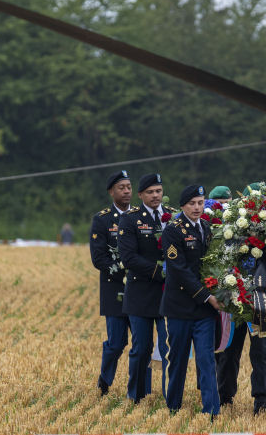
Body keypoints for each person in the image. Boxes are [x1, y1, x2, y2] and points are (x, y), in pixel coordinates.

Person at [160, 184, 221, 416]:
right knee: (177, 359)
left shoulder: (206, 227)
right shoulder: (173, 230)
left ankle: (212, 411)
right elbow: (179, 270)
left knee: (206, 360)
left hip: (204, 311)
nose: (197, 208)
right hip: (180, 307)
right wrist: (207, 296)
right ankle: (173, 406)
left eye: (200, 202)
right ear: (183, 205)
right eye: (192, 203)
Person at [215, 183, 266, 414]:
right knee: (229, 350)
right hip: (234, 296)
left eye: (259, 204)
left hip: (265, 298)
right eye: (251, 204)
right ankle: (225, 397)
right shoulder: (232, 228)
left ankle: (261, 401)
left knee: (261, 353)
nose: (255, 209)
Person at [118, 173, 170, 402]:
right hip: (140, 294)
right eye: (150, 192)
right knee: (141, 348)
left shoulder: (171, 216)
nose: (155, 195)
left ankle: (170, 395)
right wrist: (162, 273)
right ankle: (136, 394)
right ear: (140, 195)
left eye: (158, 191)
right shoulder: (130, 219)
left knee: (171, 347)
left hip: (169, 295)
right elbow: (128, 258)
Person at [89, 170, 133, 396]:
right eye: (121, 187)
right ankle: (104, 381)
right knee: (116, 343)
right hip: (114, 289)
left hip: (139, 290)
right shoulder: (102, 219)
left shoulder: (138, 216)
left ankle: (138, 389)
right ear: (111, 192)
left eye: (128, 187)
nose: (126, 191)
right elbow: (99, 258)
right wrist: (123, 273)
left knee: (142, 344)